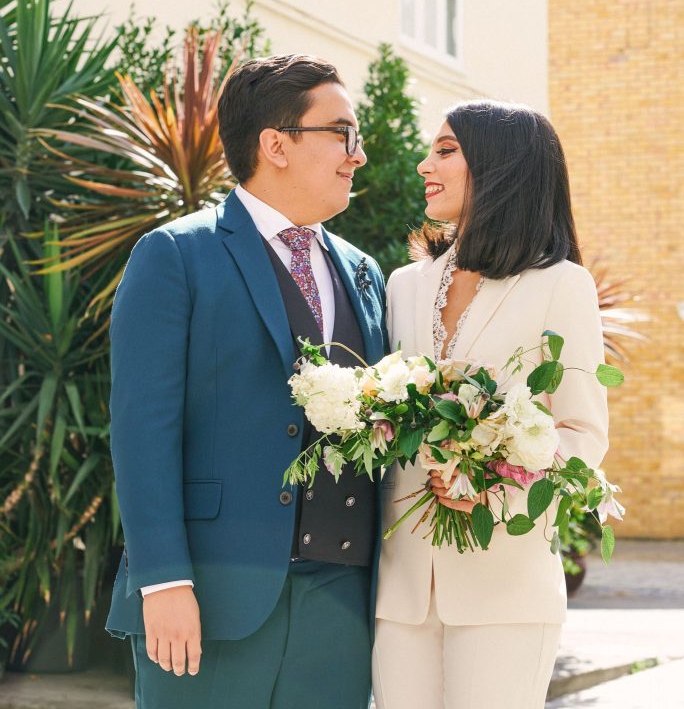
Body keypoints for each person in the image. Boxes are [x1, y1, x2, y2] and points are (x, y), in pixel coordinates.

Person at [105, 53, 387, 709]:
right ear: (275, 144)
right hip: (210, 594)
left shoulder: (364, 271)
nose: (358, 155)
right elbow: (142, 430)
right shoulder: (175, 255)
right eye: (343, 133)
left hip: (340, 604)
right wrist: (163, 581)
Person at [372, 99, 609, 709]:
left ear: (502, 167)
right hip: (401, 590)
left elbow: (581, 432)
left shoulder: (562, 285)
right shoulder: (404, 284)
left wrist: (492, 486)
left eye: (446, 150)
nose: (426, 164)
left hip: (507, 586)